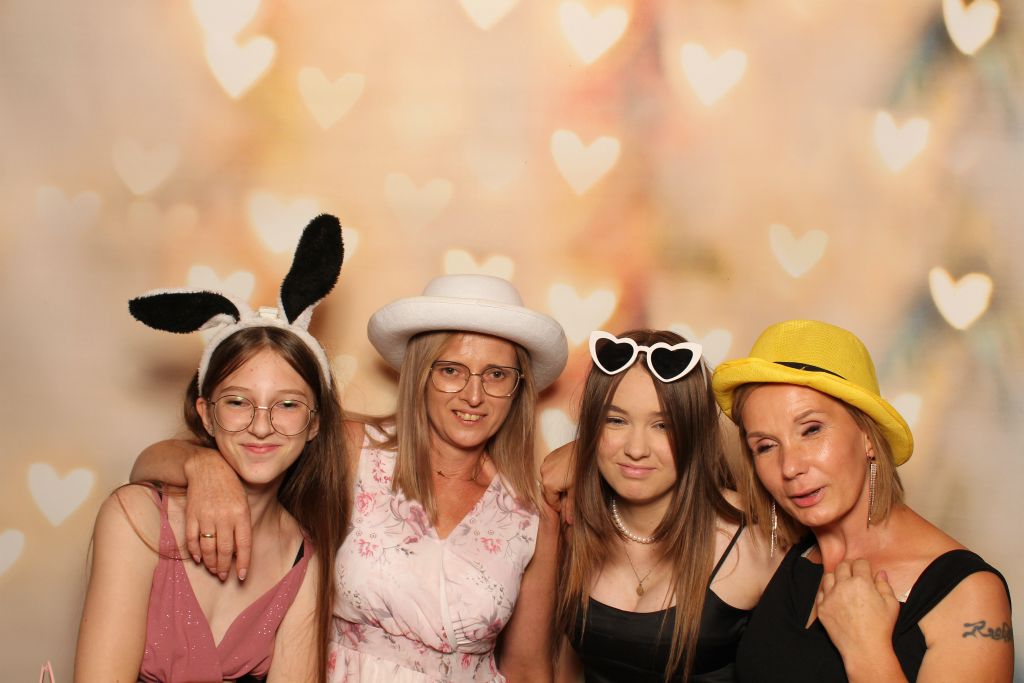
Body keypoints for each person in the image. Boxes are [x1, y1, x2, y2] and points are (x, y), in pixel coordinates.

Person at [130, 273, 568, 682]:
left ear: (517, 388)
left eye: (496, 375)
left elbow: (528, 668)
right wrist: (203, 468)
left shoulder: (532, 515)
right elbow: (147, 467)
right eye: (450, 370)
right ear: (420, 374)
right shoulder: (351, 449)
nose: (474, 395)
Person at [75, 214, 350, 682]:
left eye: (287, 405)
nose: (260, 427)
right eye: (238, 402)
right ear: (205, 414)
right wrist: (199, 465)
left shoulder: (304, 561)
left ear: (314, 423)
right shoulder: (136, 518)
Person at [711, 319, 1014, 682]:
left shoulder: (970, 595)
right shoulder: (780, 557)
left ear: (868, 436)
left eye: (811, 430)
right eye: (765, 446)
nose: (790, 467)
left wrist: (866, 650)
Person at [552, 330, 779, 682]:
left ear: (694, 431)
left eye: (662, 425)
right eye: (616, 421)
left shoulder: (759, 541)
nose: (636, 449)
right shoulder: (570, 522)